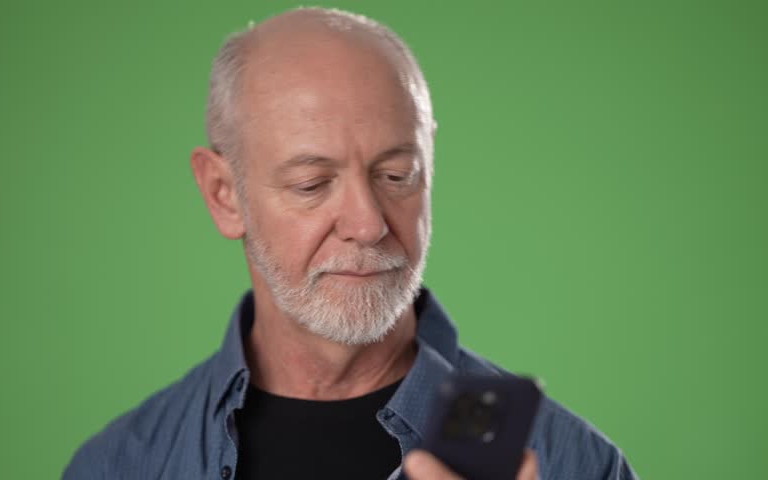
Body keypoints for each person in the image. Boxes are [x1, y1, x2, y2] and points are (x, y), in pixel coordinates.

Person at [64, 7, 637, 480]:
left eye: (396, 175)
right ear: (223, 194)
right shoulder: (119, 467)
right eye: (312, 184)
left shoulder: (576, 465)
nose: (367, 225)